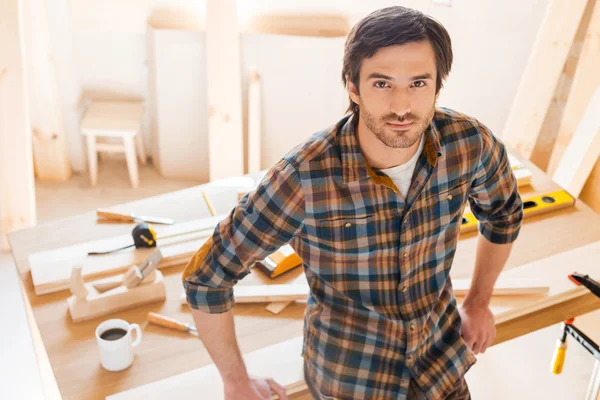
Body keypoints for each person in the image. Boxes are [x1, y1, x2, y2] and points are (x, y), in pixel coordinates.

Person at [182, 5, 524, 400]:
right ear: (353, 87)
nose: (401, 106)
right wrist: (236, 380)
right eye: (382, 84)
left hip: (440, 365)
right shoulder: (303, 177)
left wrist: (479, 302)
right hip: (351, 378)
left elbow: (504, 214)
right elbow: (207, 277)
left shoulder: (468, 144)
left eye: (418, 83)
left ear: (437, 86)